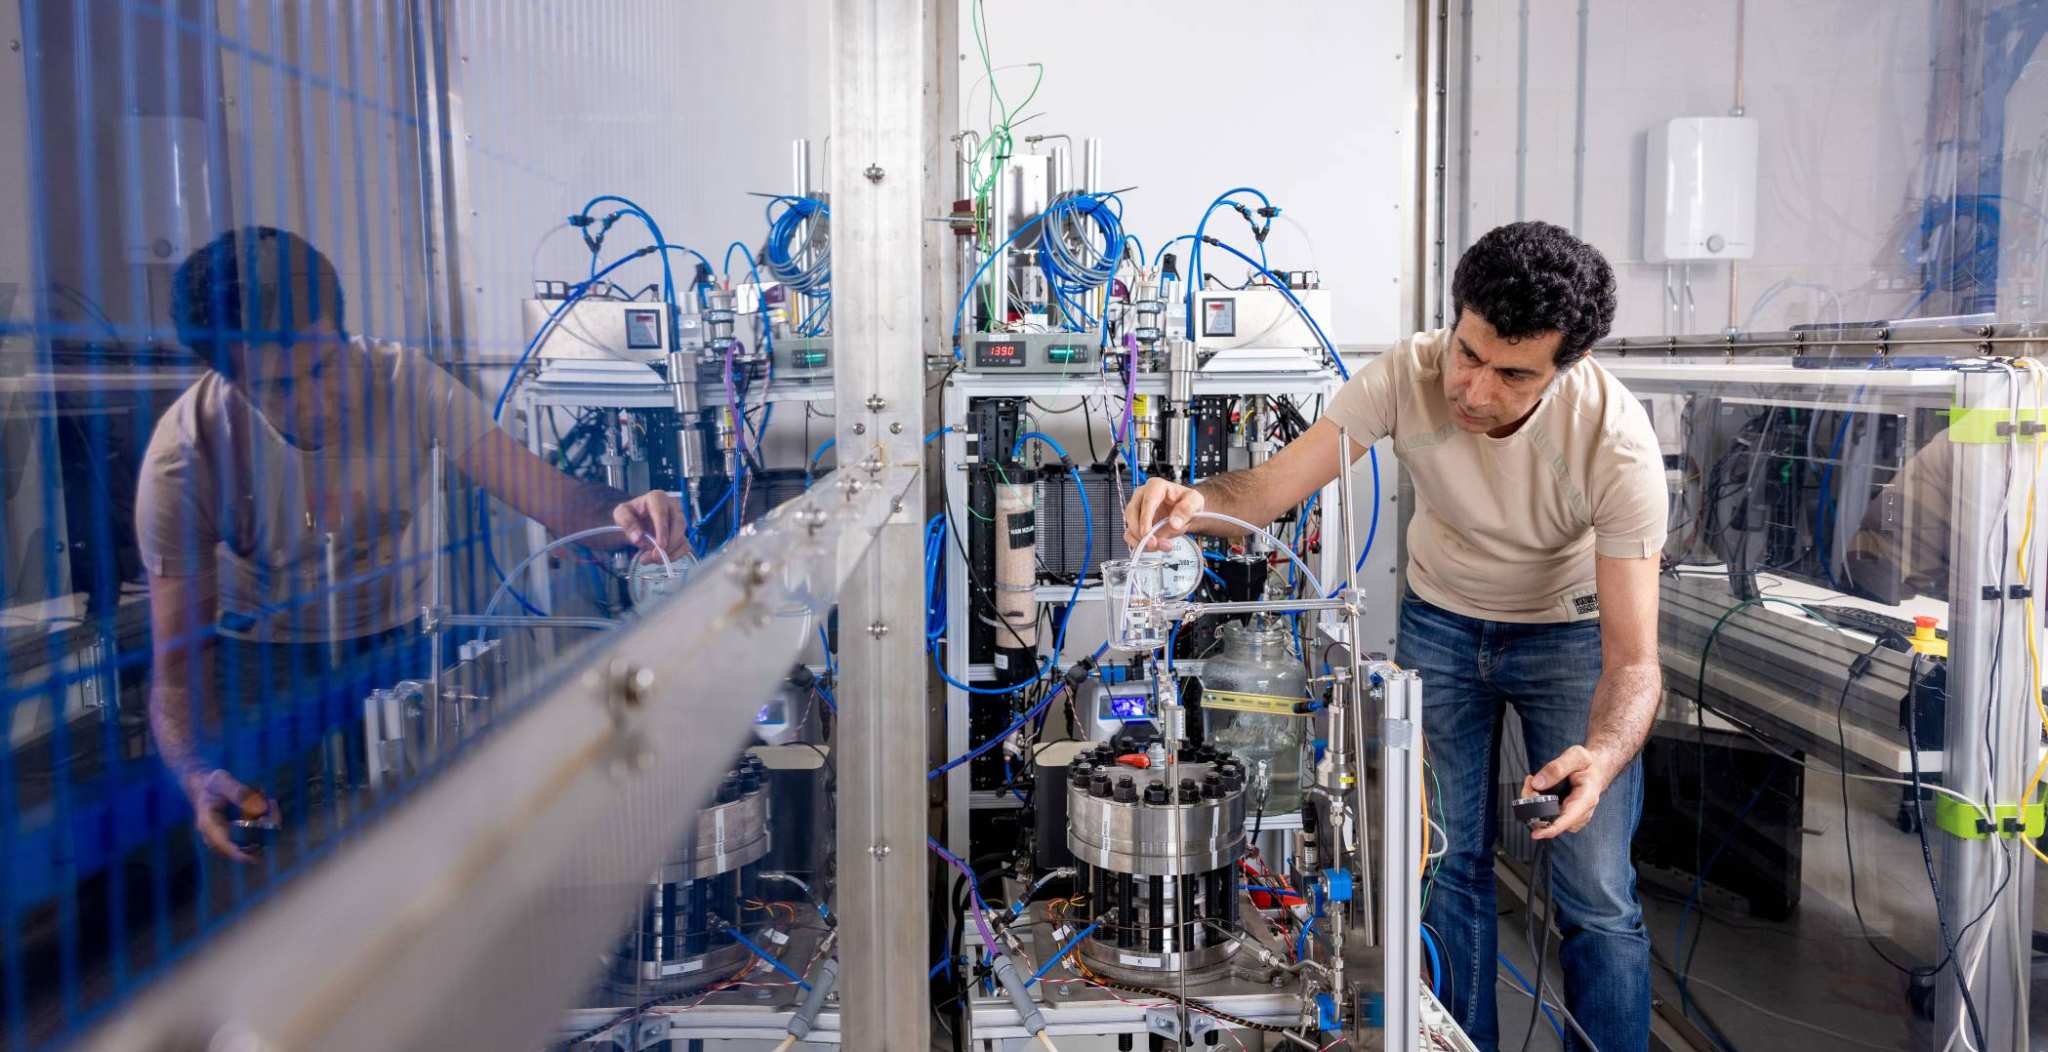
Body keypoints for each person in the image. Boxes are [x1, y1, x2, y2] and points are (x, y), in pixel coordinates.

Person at [1124, 221, 1663, 1050]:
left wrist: (1605, 751)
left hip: (1568, 637)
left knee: (1596, 894)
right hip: (1442, 623)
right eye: (1468, 352)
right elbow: (1266, 491)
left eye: (1513, 374)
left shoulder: (1616, 446)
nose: (1474, 390)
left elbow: (1634, 663)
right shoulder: (1404, 375)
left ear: (1568, 367)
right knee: (1444, 866)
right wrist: (1188, 500)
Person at [138, 226, 687, 863]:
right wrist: (194, 771)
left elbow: (559, 502)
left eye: (324, 367)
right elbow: (176, 676)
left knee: (424, 864)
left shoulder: (406, 383)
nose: (317, 402)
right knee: (273, 878)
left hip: (392, 650)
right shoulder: (184, 459)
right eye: (281, 388)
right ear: (231, 380)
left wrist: (622, 514)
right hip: (261, 665)